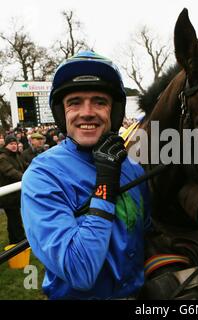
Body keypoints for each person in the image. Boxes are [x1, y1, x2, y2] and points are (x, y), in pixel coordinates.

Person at [21, 51, 151, 300]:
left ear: (113, 112)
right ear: (63, 114)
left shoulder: (132, 169)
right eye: (75, 102)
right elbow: (79, 271)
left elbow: (146, 233)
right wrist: (105, 184)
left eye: (99, 101)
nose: (87, 112)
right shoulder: (41, 175)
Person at [0, 135, 26, 244]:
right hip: (8, 196)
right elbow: (10, 172)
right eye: (11, 144)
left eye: (15, 143)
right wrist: (26, 178)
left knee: (13, 219)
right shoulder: (2, 157)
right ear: (6, 145)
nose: (14, 146)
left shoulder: (17, 155)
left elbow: (25, 166)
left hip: (15, 194)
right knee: (15, 218)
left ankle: (14, 240)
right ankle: (20, 241)